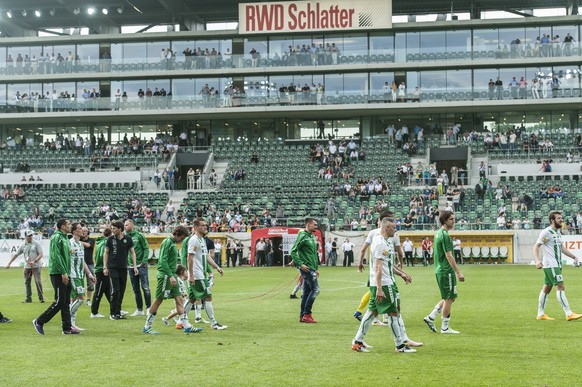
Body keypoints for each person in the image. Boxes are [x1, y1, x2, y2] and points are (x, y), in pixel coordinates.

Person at [351, 217, 421, 353]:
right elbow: (378, 267)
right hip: (384, 283)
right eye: (394, 227)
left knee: (372, 312)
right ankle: (400, 345)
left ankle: (357, 341)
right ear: (387, 227)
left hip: (382, 282)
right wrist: (379, 288)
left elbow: (387, 264)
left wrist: (402, 274)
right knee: (393, 313)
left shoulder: (385, 241)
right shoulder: (380, 243)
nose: (396, 230)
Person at [143, 226, 200, 334]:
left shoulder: (172, 243)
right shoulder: (167, 242)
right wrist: (170, 275)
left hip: (171, 275)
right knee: (158, 300)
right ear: (178, 234)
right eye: (182, 238)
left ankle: (186, 326)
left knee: (179, 299)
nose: (182, 240)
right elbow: (163, 261)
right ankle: (147, 326)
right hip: (165, 276)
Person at [354, 210, 403, 324]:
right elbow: (399, 252)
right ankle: (391, 323)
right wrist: (401, 264)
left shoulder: (372, 233)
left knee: (374, 293)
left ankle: (365, 319)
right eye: (392, 219)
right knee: (382, 293)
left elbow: (363, 249)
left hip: (374, 271)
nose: (394, 222)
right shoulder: (391, 235)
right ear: (385, 222)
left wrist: (360, 262)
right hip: (383, 272)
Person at [534, 211, 582, 321]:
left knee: (547, 288)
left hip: (556, 264)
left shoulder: (558, 232)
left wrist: (574, 257)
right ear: (552, 220)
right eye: (559, 218)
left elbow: (561, 248)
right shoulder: (546, 232)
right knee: (560, 287)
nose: (561, 219)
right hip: (551, 265)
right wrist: (537, 260)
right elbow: (536, 246)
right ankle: (568, 313)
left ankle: (540, 314)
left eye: (561, 218)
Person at [33, 219, 78, 335]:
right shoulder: (56, 237)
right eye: (68, 224)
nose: (70, 226)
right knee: (59, 301)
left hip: (65, 273)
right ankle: (39, 321)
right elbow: (56, 257)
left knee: (66, 301)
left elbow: (65, 256)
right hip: (58, 273)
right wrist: (63, 273)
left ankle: (67, 328)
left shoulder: (65, 238)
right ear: (62, 226)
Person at [423, 211, 465, 334]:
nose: (453, 221)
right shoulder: (445, 236)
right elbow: (449, 256)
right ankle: (445, 327)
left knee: (450, 297)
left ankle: (431, 316)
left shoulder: (438, 234)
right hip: (446, 271)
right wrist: (458, 272)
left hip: (440, 270)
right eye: (451, 219)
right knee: (449, 298)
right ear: (445, 220)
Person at [186, 218, 227, 330]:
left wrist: (217, 267)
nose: (205, 227)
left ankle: (181, 320)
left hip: (201, 274)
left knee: (192, 299)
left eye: (205, 225)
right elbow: (190, 257)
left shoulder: (202, 240)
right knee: (208, 297)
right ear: (195, 228)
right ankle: (213, 323)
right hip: (197, 275)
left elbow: (207, 256)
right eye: (202, 225)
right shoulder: (193, 240)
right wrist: (192, 275)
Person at [103, 220, 138, 320]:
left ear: (119, 229)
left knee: (121, 291)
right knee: (115, 290)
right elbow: (106, 253)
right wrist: (105, 267)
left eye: (114, 228)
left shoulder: (128, 239)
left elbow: (132, 252)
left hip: (123, 268)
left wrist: (135, 266)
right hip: (113, 268)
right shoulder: (110, 239)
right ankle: (112, 313)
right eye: (112, 228)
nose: (112, 230)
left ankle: (118, 312)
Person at [290, 217, 320, 323]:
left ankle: (302, 315)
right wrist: (300, 264)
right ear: (308, 225)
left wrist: (316, 268)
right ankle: (307, 314)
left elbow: (314, 254)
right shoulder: (302, 236)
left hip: (312, 268)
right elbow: (293, 251)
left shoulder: (312, 236)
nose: (316, 226)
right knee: (316, 290)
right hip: (306, 268)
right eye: (314, 225)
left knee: (306, 293)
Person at [69, 222, 96, 331]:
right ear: (74, 231)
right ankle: (66, 319)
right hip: (73, 275)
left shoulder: (80, 244)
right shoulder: (69, 243)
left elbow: (82, 261)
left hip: (80, 275)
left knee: (74, 299)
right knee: (80, 299)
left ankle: (72, 324)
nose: (82, 230)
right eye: (80, 228)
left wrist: (89, 274)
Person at [5, 230, 45, 303]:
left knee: (38, 281)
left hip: (36, 266)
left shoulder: (36, 244)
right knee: (27, 282)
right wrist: (9, 263)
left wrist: (35, 261)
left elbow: (41, 254)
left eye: (31, 235)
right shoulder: (23, 245)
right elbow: (16, 255)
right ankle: (28, 299)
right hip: (27, 266)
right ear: (25, 236)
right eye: (29, 236)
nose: (30, 237)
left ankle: (41, 298)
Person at [125, 219, 151, 317]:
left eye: (127, 225)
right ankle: (139, 309)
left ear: (132, 225)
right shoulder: (125, 237)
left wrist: (144, 261)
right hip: (131, 266)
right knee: (135, 288)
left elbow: (145, 248)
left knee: (145, 287)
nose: (125, 227)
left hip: (141, 265)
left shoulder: (139, 236)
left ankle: (148, 308)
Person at [90, 228, 112, 318]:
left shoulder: (99, 241)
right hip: (102, 269)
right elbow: (102, 256)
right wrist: (105, 267)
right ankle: (94, 312)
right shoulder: (105, 243)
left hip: (100, 268)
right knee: (99, 291)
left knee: (108, 291)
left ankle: (116, 308)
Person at [80, 227, 95, 306]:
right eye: (82, 231)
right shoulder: (77, 240)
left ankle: (88, 299)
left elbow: (88, 245)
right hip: (79, 263)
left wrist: (77, 241)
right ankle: (80, 298)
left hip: (89, 263)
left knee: (90, 282)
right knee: (79, 281)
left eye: (85, 231)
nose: (84, 232)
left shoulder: (91, 240)